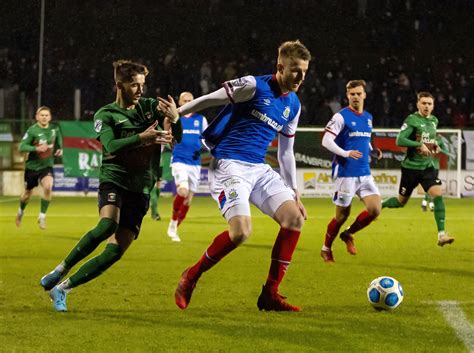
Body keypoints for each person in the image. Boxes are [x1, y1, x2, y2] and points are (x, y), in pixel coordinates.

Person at [159, 40, 311, 312]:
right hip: (229, 164)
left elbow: (286, 153)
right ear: (280, 67)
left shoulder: (294, 105)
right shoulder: (255, 85)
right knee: (241, 232)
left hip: (259, 168)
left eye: (304, 71)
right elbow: (212, 98)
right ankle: (190, 276)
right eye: (295, 70)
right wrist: (178, 112)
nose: (300, 77)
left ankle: (270, 294)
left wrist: (295, 192)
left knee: (294, 219)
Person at [40, 60, 182, 312]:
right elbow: (110, 146)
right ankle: (59, 269)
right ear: (119, 85)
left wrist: (175, 118)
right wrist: (142, 137)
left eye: (142, 84)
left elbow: (176, 138)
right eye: (134, 85)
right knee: (107, 224)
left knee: (116, 251)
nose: (140, 90)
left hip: (141, 187)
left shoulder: (150, 108)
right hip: (114, 178)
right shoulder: (105, 115)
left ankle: (61, 289)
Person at [320, 80, 382, 263]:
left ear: (364, 95)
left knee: (375, 209)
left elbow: (364, 139)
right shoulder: (341, 117)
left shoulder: (368, 117)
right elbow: (326, 140)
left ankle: (348, 234)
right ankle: (326, 248)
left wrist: (372, 150)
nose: (355, 97)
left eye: (358, 93)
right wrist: (345, 153)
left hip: (365, 172)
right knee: (341, 215)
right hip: (345, 174)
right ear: (347, 96)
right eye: (352, 94)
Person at [382, 92, 454, 246]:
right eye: (424, 103)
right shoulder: (412, 120)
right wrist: (418, 145)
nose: (427, 106)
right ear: (418, 104)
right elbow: (399, 140)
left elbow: (431, 140)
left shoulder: (434, 121)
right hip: (410, 169)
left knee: (438, 195)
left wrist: (434, 146)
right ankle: (379, 205)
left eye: (429, 104)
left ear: (433, 106)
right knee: (401, 202)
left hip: (427, 167)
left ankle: (441, 235)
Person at [167, 91, 208, 242]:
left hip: (195, 163)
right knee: (182, 191)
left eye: (190, 100)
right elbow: (168, 136)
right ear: (179, 102)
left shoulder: (201, 119)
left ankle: (175, 227)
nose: (188, 103)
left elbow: (206, 138)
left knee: (188, 200)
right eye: (185, 100)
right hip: (179, 160)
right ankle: (172, 222)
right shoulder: (175, 119)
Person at [16, 106, 63, 230]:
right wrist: (36, 148)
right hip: (32, 167)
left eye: (46, 115)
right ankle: (21, 211)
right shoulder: (32, 131)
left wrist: (59, 150)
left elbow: (59, 144)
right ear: (37, 117)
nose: (44, 117)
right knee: (27, 193)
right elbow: (21, 147)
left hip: (46, 166)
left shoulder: (55, 129)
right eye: (41, 115)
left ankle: (42, 216)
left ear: (50, 117)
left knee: (48, 186)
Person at [421, 134, 450, 211]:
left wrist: (440, 150)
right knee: (431, 185)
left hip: (435, 167)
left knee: (431, 185)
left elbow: (446, 152)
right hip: (427, 166)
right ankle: (430, 204)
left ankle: (425, 202)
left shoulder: (439, 140)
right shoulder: (425, 139)